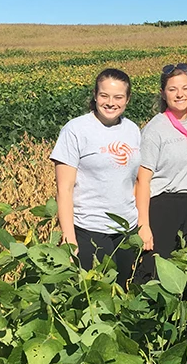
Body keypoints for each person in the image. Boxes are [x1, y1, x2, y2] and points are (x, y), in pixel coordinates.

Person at [50, 68, 141, 286]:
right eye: (104, 95)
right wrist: (69, 236)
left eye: (118, 97)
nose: (111, 102)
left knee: (124, 293)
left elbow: (135, 180)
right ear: (95, 95)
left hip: (126, 230)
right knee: (94, 297)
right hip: (90, 229)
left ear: (127, 99)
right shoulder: (75, 130)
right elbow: (64, 189)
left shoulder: (133, 130)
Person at [134, 63, 187, 280]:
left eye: (185, 88)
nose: (179, 94)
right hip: (163, 207)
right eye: (173, 89)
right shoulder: (155, 129)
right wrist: (143, 225)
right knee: (156, 270)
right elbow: (142, 181)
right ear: (163, 94)